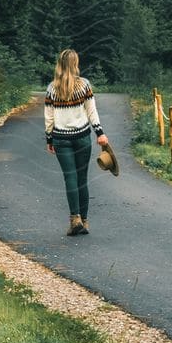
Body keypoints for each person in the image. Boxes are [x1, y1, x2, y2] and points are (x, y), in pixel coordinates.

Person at [44, 47, 109, 236]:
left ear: (60, 65)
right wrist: (100, 133)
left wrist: (49, 139)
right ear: (75, 64)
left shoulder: (52, 89)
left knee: (70, 178)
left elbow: (49, 117)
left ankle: (75, 219)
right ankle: (85, 222)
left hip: (61, 139)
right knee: (82, 179)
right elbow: (92, 111)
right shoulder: (84, 85)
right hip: (82, 138)